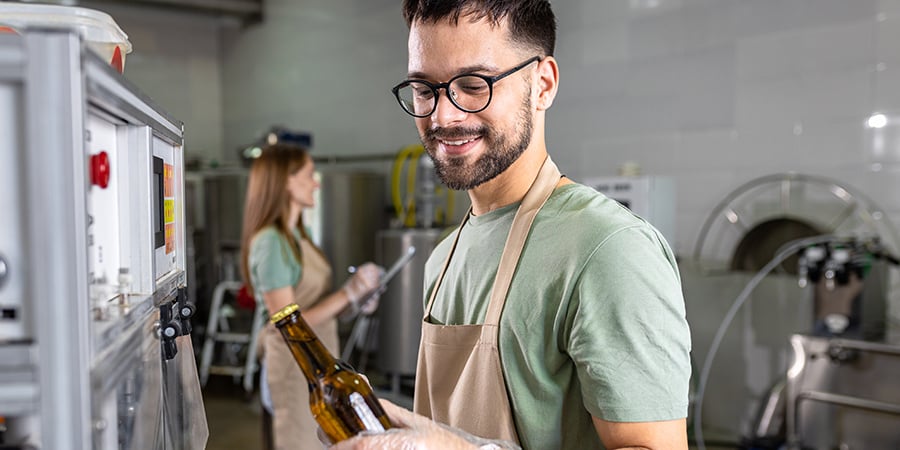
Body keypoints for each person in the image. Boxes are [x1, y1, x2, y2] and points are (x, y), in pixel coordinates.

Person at [332, 1, 692, 449]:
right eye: (425, 89)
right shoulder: (445, 256)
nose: (444, 116)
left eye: (473, 84)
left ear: (542, 85)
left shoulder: (608, 249)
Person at [240, 144, 384, 450]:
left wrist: (356, 300)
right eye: (308, 175)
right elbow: (287, 322)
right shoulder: (270, 242)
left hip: (319, 361)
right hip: (294, 367)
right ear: (286, 181)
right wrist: (349, 291)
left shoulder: (299, 237)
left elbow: (322, 307)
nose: (316, 182)